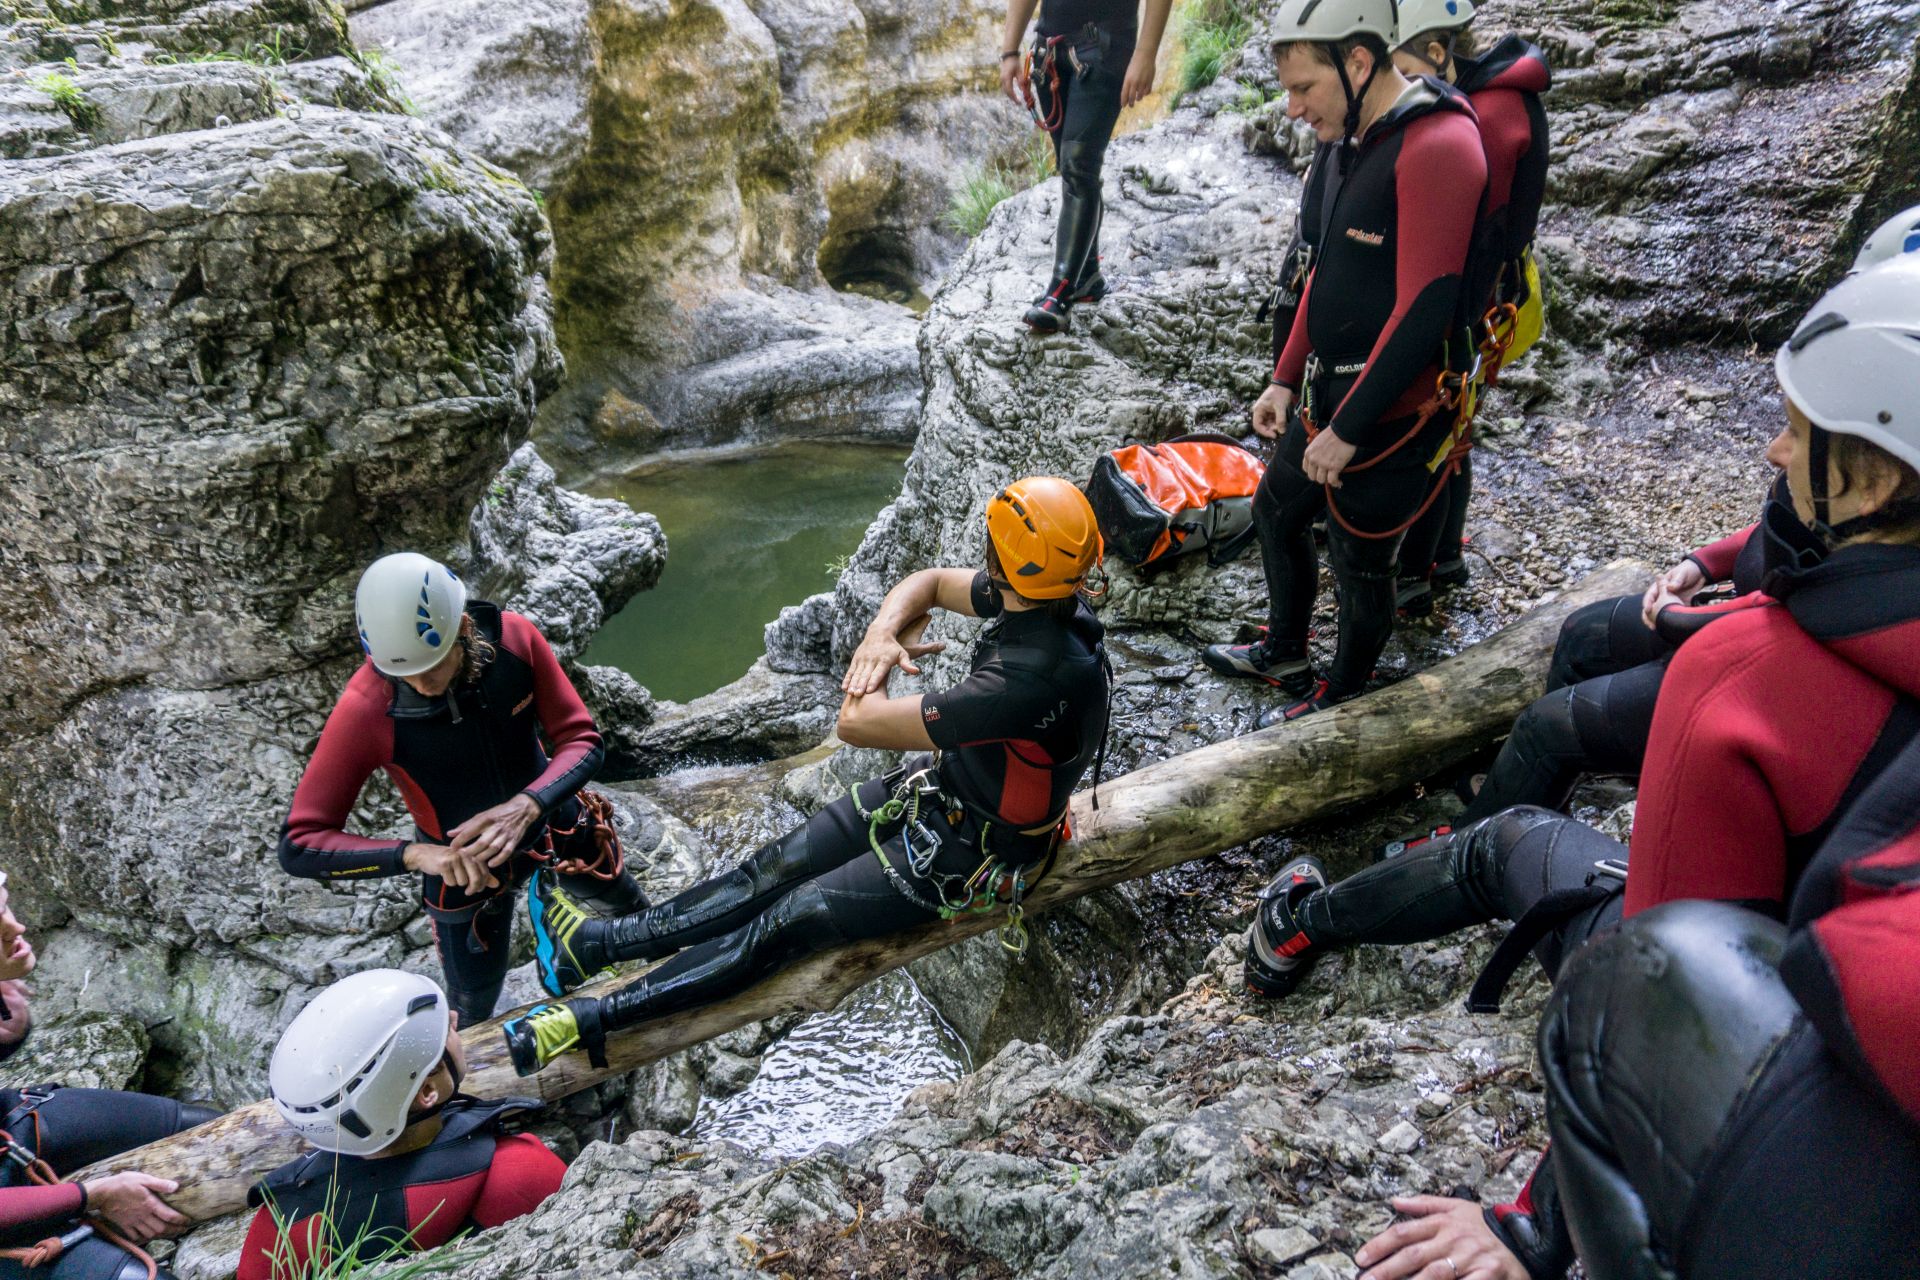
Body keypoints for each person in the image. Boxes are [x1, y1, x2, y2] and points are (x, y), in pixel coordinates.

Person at [1260, 257, 1920, 1279]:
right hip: (1868, 1010)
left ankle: (1297, 921)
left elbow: (1660, 997)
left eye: (1796, 428)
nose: (1773, 444)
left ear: (1874, 474)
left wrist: (1529, 1225)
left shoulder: (1740, 687)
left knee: (1506, 843)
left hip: (1792, 1077)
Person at [499, 477, 1111, 1075]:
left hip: (970, 854)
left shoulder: (1018, 687)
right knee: (769, 870)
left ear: (1001, 561)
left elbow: (855, 722)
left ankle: (589, 1018)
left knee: (781, 924)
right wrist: (879, 634)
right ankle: (596, 945)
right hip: (944, 799)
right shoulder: (1051, 598)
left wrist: (874, 661)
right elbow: (927, 583)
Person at [1202, 0, 1487, 725]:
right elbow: (1327, 274)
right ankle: (1288, 650)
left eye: (1304, 89)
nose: (1292, 108)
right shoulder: (1352, 140)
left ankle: (1345, 693)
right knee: (1276, 511)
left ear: (1358, 63)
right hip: (1328, 396)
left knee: (1362, 563)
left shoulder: (1438, 144)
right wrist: (1285, 374)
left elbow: (1424, 307)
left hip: (1391, 413)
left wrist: (1350, 428)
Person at [278, 553, 648, 1027]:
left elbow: (581, 739)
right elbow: (301, 844)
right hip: (461, 869)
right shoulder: (368, 707)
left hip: (555, 822)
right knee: (471, 1004)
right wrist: (415, 856)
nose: (419, 683)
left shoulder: (515, 641)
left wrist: (527, 804)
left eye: (431, 666)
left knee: (632, 916)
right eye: (402, 673)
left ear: (465, 628)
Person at [1387, 0, 1551, 617]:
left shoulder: (1488, 114)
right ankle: (1445, 555)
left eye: (1401, 69)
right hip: (1491, 294)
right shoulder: (1500, 95)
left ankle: (1416, 574)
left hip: (1474, 301)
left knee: (1441, 437)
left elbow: (1480, 230)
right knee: (1455, 434)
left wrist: (1445, 326)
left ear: (1435, 55)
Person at [239, 970, 564, 1280]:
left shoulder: (282, 1229)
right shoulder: (521, 1170)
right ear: (426, 1092)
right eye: (442, 1034)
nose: (453, 1017)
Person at [0, 874, 209, 1280]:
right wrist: (90, 1196)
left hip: (11, 1124)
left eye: (4, 908)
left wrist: (9, 1037)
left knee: (202, 1129)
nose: (17, 928)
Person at [1000, 0, 1172, 333]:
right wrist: (1009, 52)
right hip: (1049, 49)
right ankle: (1088, 275)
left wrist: (1146, 53)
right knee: (1071, 168)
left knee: (1079, 166)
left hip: (1107, 47)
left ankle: (1060, 291)